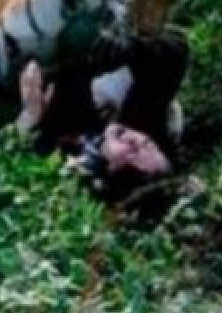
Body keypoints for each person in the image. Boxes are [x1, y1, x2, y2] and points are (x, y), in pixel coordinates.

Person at [14, 28, 190, 201]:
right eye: (148, 143)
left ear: (111, 172)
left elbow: (14, 153)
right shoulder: (142, 121)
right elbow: (173, 52)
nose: (135, 139)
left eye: (133, 152)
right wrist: (132, 46)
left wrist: (31, 116)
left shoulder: (64, 161)